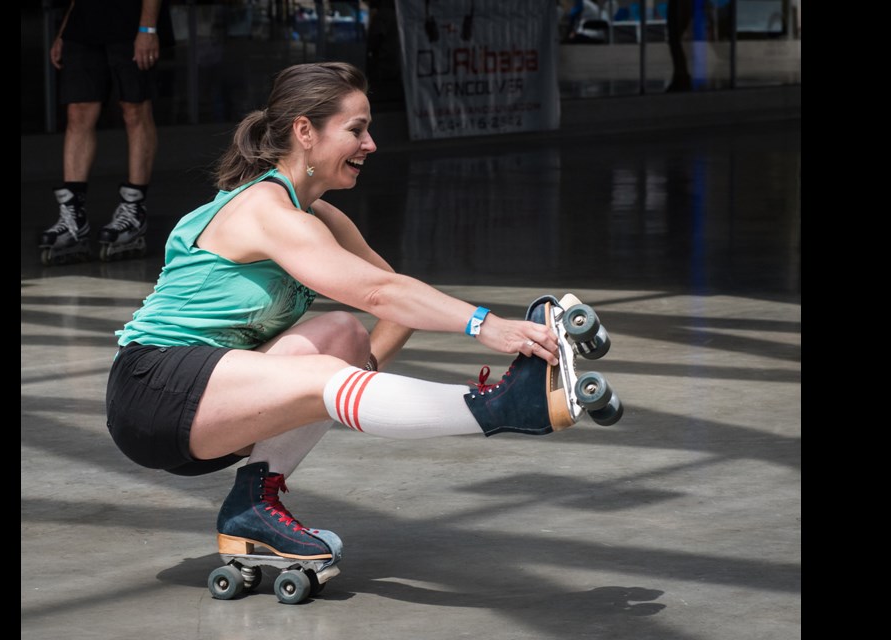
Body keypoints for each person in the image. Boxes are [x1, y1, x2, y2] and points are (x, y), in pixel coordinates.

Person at [105, 62, 580, 564]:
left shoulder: (321, 217)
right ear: (305, 131)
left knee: (344, 336)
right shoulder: (263, 210)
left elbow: (397, 302)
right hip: (150, 394)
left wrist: (359, 387)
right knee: (327, 372)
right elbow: (379, 293)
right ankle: (499, 409)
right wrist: (489, 326)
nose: (370, 144)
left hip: (217, 407)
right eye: (356, 130)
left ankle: (251, 508)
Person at [40, 0, 171, 265]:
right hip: (85, 22)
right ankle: (72, 216)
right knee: (78, 111)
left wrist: (147, 28)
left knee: (134, 110)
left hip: (133, 20)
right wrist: (65, 30)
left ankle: (134, 212)